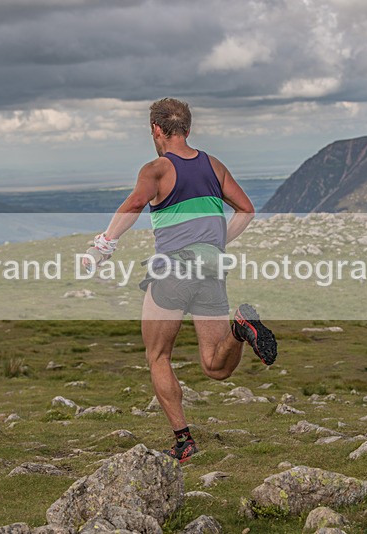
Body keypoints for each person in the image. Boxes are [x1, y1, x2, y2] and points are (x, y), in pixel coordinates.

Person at [83, 97, 277, 463]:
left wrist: (102, 247)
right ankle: (239, 329)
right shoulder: (213, 166)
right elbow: (247, 209)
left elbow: (135, 204)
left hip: (173, 270)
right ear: (188, 128)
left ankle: (184, 441)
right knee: (214, 367)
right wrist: (217, 242)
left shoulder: (156, 169)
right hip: (211, 270)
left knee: (157, 355)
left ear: (157, 130)